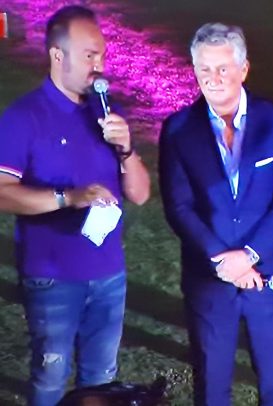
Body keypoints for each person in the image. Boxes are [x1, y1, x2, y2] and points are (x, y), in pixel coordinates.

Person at [0, 5, 150, 405]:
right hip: (52, 276)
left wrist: (126, 149)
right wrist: (68, 197)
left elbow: (140, 194)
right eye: (89, 55)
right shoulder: (24, 117)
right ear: (57, 55)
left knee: (101, 383)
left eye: (101, 55)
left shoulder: (107, 114)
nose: (99, 66)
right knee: (51, 378)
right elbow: (2, 191)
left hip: (109, 274)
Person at [159, 23, 273, 406]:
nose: (214, 78)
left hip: (268, 275)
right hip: (210, 279)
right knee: (211, 386)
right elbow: (179, 206)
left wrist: (249, 255)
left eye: (223, 68)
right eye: (204, 69)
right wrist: (223, 262)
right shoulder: (177, 130)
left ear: (244, 69)